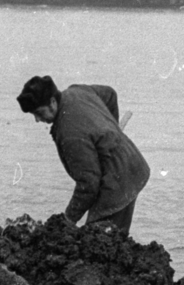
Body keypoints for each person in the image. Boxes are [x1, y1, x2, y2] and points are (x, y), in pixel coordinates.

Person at [16, 75, 149, 234]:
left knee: (101, 242)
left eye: (39, 113)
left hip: (119, 181)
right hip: (131, 166)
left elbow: (88, 183)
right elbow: (110, 94)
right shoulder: (76, 91)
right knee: (107, 239)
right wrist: (111, 130)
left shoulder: (69, 133)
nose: (37, 120)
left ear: (52, 102)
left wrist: (67, 220)